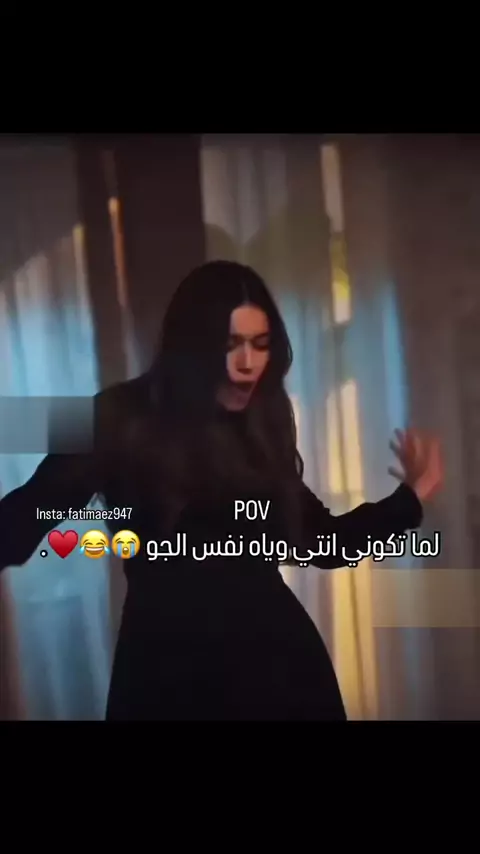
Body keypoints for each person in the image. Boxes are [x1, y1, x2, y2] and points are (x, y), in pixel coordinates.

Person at [0, 260, 443, 720]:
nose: (247, 363)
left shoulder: (262, 422)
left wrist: (407, 502)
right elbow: (24, 516)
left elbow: (316, 540)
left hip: (283, 676)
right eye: (228, 344)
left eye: (260, 344)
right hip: (165, 681)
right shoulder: (113, 414)